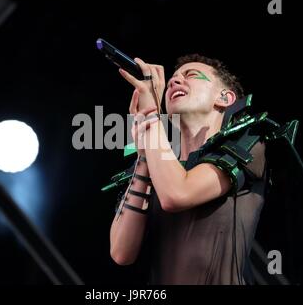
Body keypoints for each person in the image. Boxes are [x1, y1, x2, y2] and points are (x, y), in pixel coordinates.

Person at [109, 53, 268, 285]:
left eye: (191, 75)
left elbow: (177, 194)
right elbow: (122, 252)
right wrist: (144, 153)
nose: (173, 82)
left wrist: (152, 118)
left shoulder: (252, 142)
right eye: (172, 78)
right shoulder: (158, 163)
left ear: (225, 97)